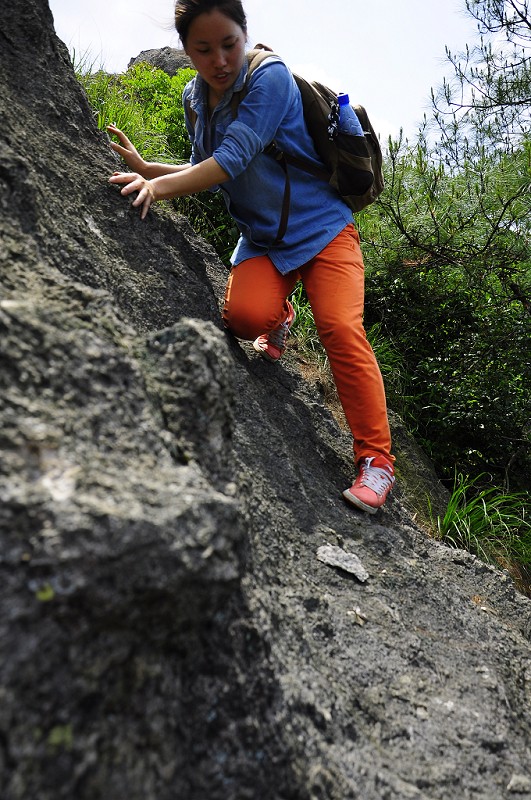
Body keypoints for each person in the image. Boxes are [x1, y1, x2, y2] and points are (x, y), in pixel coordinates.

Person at [108, 0, 395, 514]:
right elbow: (205, 164)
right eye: (203, 49)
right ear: (187, 50)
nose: (219, 59)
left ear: (245, 35)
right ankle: (279, 311)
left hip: (326, 230)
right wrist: (148, 168)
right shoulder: (195, 97)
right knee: (242, 319)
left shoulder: (272, 79)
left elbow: (235, 157)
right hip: (265, 240)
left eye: (228, 44)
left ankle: (377, 461)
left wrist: (159, 188)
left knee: (339, 328)